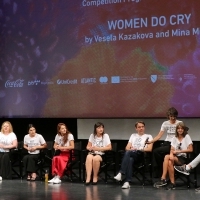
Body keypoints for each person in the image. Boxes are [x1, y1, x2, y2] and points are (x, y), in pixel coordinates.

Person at [114, 121, 153, 189]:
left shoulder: (148, 136)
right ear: (136, 129)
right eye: (139, 127)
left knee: (128, 153)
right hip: (132, 154)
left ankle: (121, 173)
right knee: (130, 159)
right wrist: (132, 149)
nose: (141, 128)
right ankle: (127, 182)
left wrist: (138, 148)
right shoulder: (133, 135)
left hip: (141, 155)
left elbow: (149, 149)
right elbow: (127, 148)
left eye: (142, 127)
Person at [154, 122, 193, 189]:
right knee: (169, 161)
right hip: (175, 157)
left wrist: (178, 151)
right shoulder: (175, 138)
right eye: (178, 128)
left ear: (183, 130)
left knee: (167, 156)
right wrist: (171, 154)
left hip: (183, 158)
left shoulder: (186, 136)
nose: (180, 130)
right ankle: (172, 183)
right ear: (176, 130)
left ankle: (163, 178)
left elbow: (190, 149)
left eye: (181, 128)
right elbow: (172, 149)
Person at [147, 107, 182, 177]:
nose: (173, 118)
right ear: (168, 116)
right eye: (171, 116)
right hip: (167, 142)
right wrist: (151, 141)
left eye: (174, 116)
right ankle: (159, 169)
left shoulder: (180, 123)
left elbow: (182, 135)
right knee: (156, 151)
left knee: (157, 151)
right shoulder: (165, 123)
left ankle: (161, 171)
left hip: (175, 143)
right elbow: (159, 135)